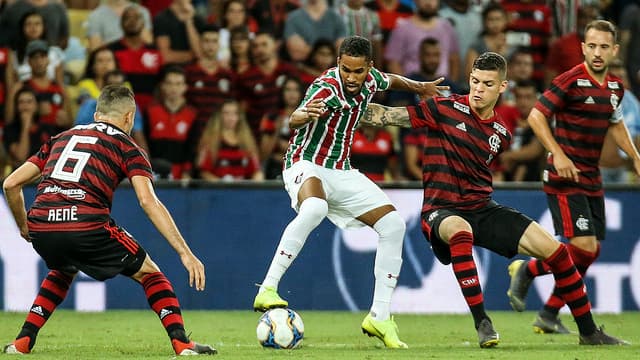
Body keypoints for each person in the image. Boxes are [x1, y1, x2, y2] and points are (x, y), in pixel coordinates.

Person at [359, 51, 628, 348]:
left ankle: (589, 332)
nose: (478, 89)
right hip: (441, 209)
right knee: (461, 231)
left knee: (559, 253)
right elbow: (384, 115)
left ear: (502, 87)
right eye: (474, 81)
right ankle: (482, 321)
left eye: (487, 84)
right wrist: (342, 104)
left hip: (483, 208)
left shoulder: (502, 133)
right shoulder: (443, 108)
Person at [252, 35, 446, 349]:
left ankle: (380, 317)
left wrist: (420, 87)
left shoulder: (370, 81)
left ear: (368, 67)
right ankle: (268, 289)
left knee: (393, 225)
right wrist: (304, 114)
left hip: (341, 170)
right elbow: (295, 117)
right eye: (345, 70)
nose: (351, 77)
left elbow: (390, 80)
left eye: (358, 71)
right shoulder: (326, 87)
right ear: (338, 64)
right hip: (305, 163)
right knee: (314, 208)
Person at [1, 84, 216, 356]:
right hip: (85, 222)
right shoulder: (129, 147)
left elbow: (10, 184)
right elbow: (148, 202)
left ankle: (22, 342)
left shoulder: (61, 137)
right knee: (150, 273)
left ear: (96, 114)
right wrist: (185, 253)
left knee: (63, 268)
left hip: (43, 223)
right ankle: (182, 344)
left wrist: (24, 225)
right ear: (129, 118)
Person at [506, 19, 640, 334]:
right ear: (583, 48)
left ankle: (549, 313)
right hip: (563, 176)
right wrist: (558, 153)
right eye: (591, 45)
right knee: (581, 247)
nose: (597, 52)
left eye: (604, 46)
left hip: (591, 177)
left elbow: (616, 124)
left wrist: (634, 156)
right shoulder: (569, 80)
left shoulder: (614, 87)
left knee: (591, 250)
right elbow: (536, 116)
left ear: (614, 50)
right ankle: (528, 270)